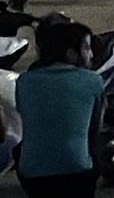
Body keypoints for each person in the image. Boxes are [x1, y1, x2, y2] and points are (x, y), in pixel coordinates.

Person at [14, 19, 103, 198]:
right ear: (71, 54)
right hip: (75, 173)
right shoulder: (93, 80)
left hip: (31, 175)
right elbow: (96, 130)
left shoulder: (23, 81)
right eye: (86, 48)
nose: (91, 54)